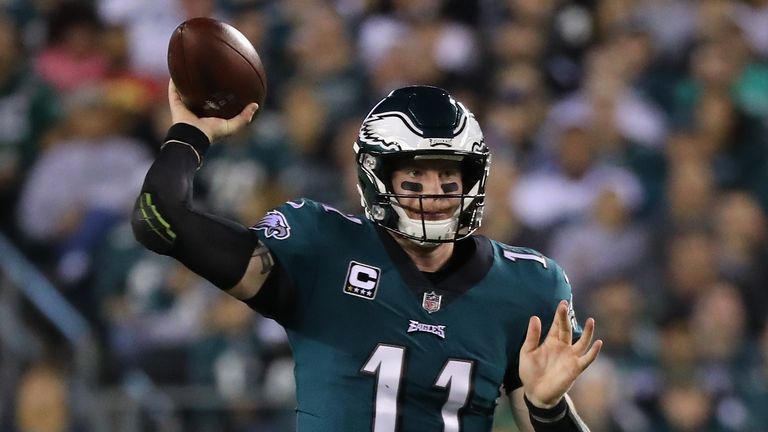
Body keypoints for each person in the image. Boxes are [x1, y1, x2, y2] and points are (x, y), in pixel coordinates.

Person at [132, 80, 603, 431]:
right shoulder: (322, 248)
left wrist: (549, 409)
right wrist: (190, 134)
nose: (434, 194)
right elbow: (159, 218)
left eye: (448, 178)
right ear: (378, 179)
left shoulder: (527, 288)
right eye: (414, 179)